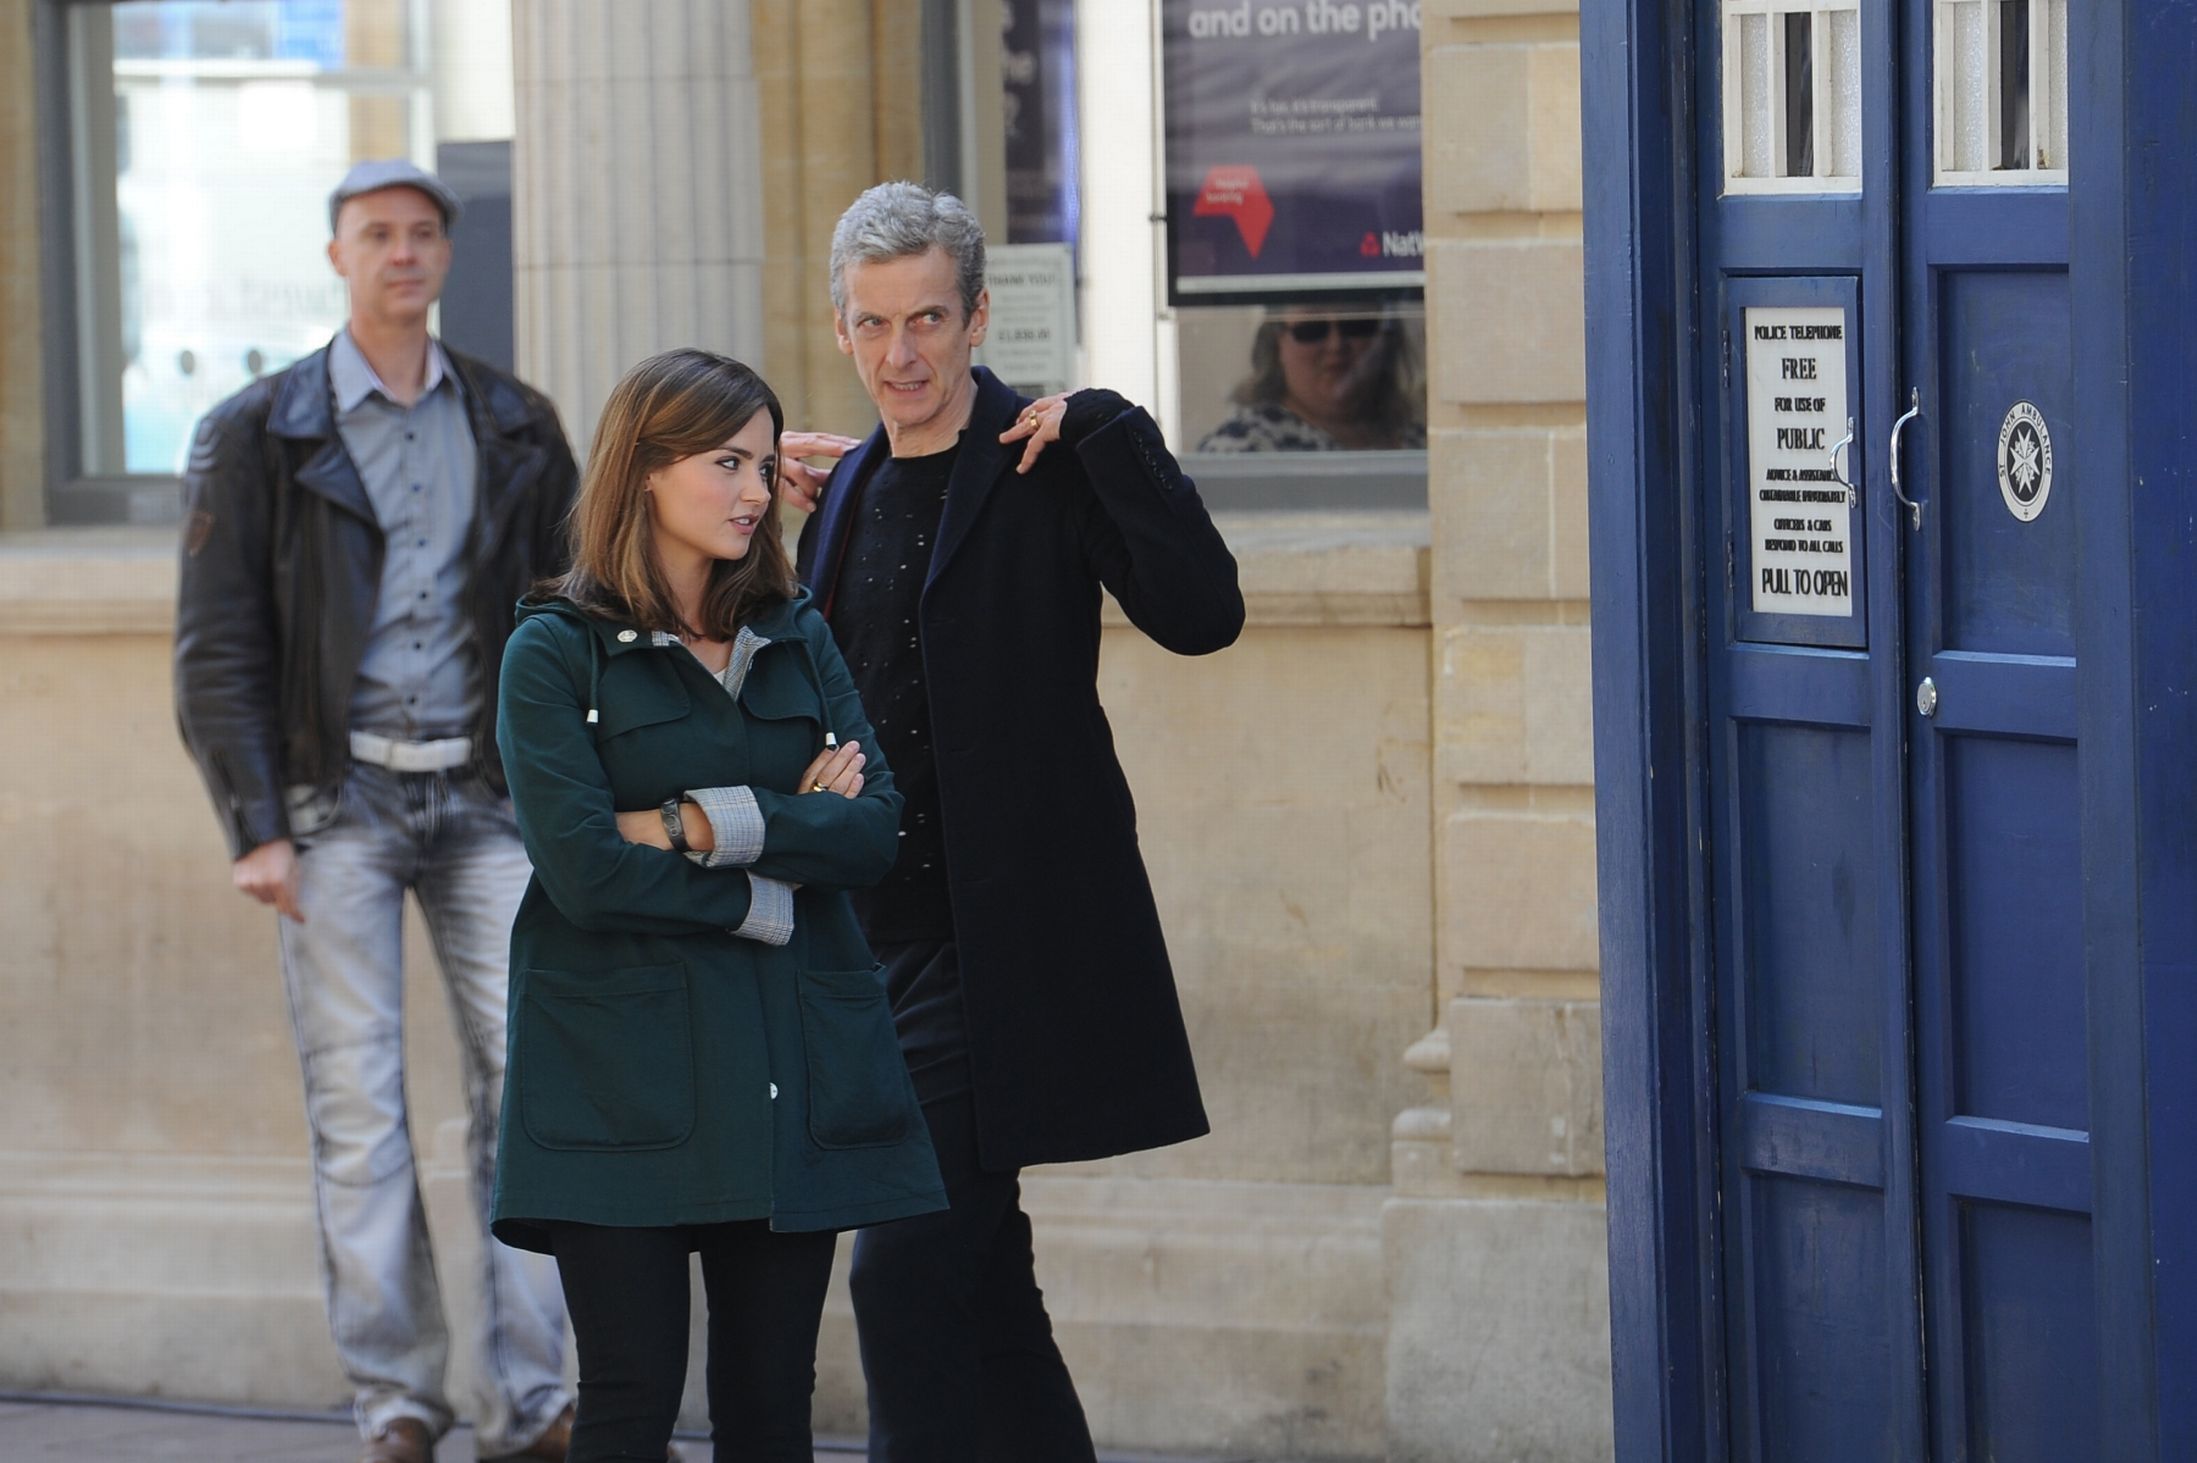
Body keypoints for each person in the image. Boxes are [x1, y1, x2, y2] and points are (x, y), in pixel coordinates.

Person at [784, 180, 1246, 1462]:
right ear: (840, 330)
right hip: (875, 950)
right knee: (984, 1286)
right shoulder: (842, 490)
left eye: (928, 318)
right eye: (874, 324)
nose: (902, 353)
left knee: (903, 1272)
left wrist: (1113, 429)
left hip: (1003, 951)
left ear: (977, 315)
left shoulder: (1044, 458)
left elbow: (1203, 613)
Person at [173, 160, 577, 1463]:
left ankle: (536, 1398)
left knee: (534, 1088)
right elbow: (216, 643)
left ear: (446, 255)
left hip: (487, 798)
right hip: (332, 801)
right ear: (337, 255)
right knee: (359, 1106)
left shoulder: (516, 422)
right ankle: (397, 1398)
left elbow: (570, 620)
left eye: (420, 234)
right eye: (376, 234)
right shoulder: (257, 430)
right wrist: (255, 821)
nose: (402, 253)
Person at [490, 348, 947, 1463]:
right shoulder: (552, 651)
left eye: (764, 463)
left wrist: (692, 824)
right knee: (629, 1397)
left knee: (770, 1407)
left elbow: (872, 830)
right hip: (615, 1081)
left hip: (785, 1068)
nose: (756, 490)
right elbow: (585, 872)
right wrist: (773, 875)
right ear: (645, 469)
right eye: (726, 462)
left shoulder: (795, 632)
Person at [1195, 307, 1427, 451]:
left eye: (1356, 326)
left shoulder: (1421, 442)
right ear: (1277, 344)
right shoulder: (1241, 446)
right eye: (1311, 330)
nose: (1336, 345)